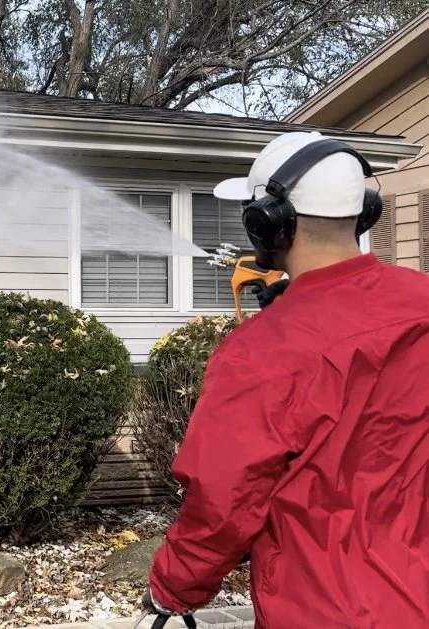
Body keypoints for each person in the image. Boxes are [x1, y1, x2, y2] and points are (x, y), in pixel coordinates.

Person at [144, 131, 429, 628]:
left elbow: (222, 505)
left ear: (268, 224)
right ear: (364, 213)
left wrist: (171, 591)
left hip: (329, 608)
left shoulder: (261, 352)